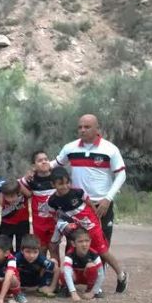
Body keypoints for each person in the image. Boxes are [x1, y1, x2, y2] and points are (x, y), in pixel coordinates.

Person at [52, 114, 128, 292]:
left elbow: (121, 174)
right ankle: (72, 281)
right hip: (75, 206)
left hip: (101, 205)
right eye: (80, 127)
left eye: (87, 127)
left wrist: (108, 198)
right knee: (74, 243)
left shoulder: (110, 149)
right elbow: (55, 164)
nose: (82, 130)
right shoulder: (70, 148)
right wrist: (36, 170)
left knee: (101, 246)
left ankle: (103, 280)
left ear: (97, 129)